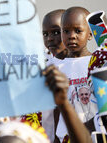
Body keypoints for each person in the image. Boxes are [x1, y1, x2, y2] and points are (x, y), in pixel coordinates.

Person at [51, 6, 97, 142]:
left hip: (91, 136)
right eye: (66, 31)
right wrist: (55, 138)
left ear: (90, 34)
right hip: (65, 137)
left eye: (78, 31)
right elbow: (56, 108)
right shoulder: (57, 66)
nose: (71, 36)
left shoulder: (97, 64)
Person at [41, 9, 68, 142]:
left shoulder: (87, 64)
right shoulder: (41, 64)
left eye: (56, 32)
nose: (49, 38)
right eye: (45, 34)